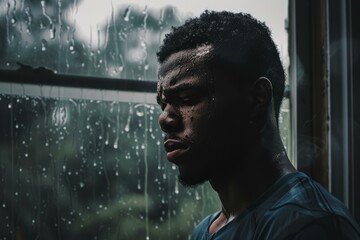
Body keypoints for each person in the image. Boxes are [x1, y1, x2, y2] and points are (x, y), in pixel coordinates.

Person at [155, 10, 360, 240]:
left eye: (187, 98)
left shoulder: (308, 225)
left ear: (256, 99)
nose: (165, 119)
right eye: (163, 104)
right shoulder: (204, 231)